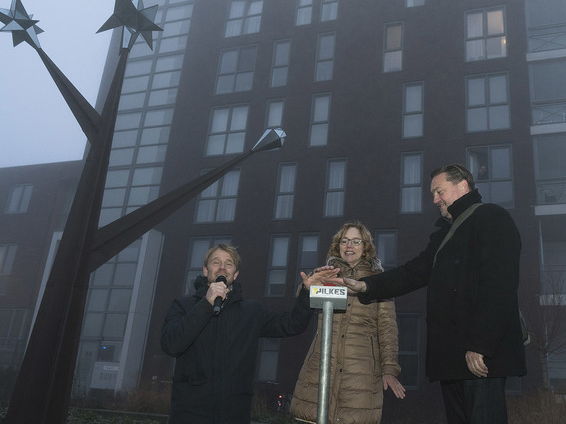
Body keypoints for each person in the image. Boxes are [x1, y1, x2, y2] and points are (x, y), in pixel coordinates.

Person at [331, 164, 525, 424]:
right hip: (455, 360)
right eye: (433, 193)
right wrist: (366, 285)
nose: (435, 199)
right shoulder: (446, 234)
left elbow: (500, 286)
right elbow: (413, 273)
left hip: (480, 360)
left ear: (463, 186)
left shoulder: (491, 217)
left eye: (439, 191)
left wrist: (480, 345)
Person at [161, 244, 333, 424]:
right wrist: (205, 304)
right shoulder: (183, 306)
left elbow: (291, 324)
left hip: (234, 414)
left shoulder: (250, 311)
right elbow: (171, 344)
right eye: (215, 262)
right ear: (205, 270)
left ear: (235, 274)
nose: (222, 267)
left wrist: (306, 293)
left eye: (229, 264)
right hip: (189, 414)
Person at [290, 222, 406, 423]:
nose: (349, 246)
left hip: (361, 371)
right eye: (344, 241)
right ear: (338, 246)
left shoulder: (379, 281)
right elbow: (301, 304)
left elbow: (387, 328)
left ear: (365, 246)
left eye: (355, 241)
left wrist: (389, 369)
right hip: (321, 365)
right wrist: (308, 285)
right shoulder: (327, 274)